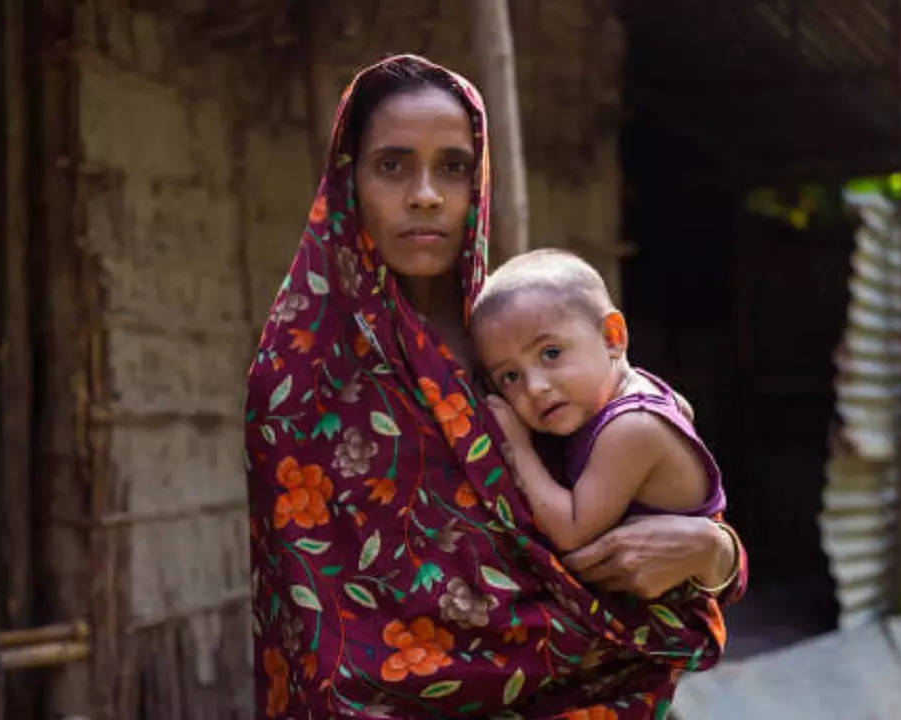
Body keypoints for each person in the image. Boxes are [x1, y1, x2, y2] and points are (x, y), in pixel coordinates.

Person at [245, 54, 747, 720]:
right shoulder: (300, 375)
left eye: (452, 166)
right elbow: (321, 628)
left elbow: (665, 516)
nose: (425, 194)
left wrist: (714, 553)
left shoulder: (522, 339)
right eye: (392, 166)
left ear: (477, 183)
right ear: (349, 181)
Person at [472, 249, 734, 557]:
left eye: (551, 353)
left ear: (612, 337)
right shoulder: (625, 397)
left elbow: (572, 533)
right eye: (511, 376)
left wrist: (518, 448)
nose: (535, 387)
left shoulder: (633, 427)